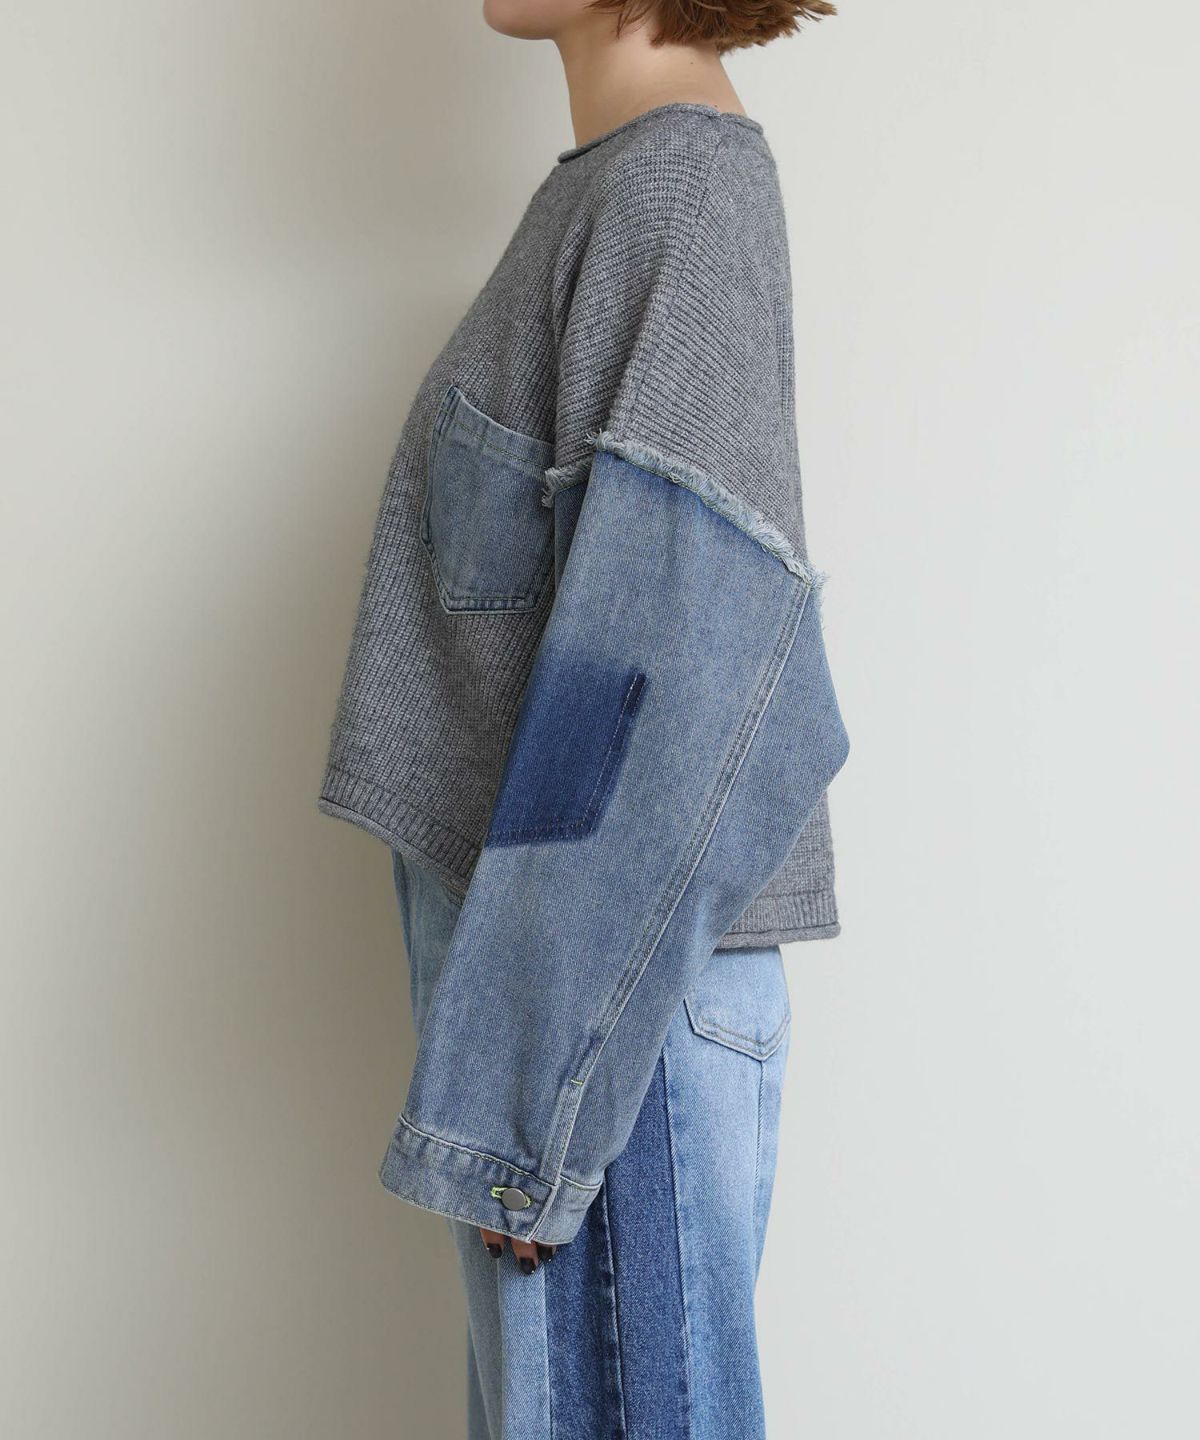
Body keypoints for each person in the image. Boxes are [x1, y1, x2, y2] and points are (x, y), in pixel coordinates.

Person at [318, 2, 848, 1434]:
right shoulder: (617, 189)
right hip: (594, 1025)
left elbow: (677, 653)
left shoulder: (678, 193)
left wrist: (533, 1105)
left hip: (608, 1031)